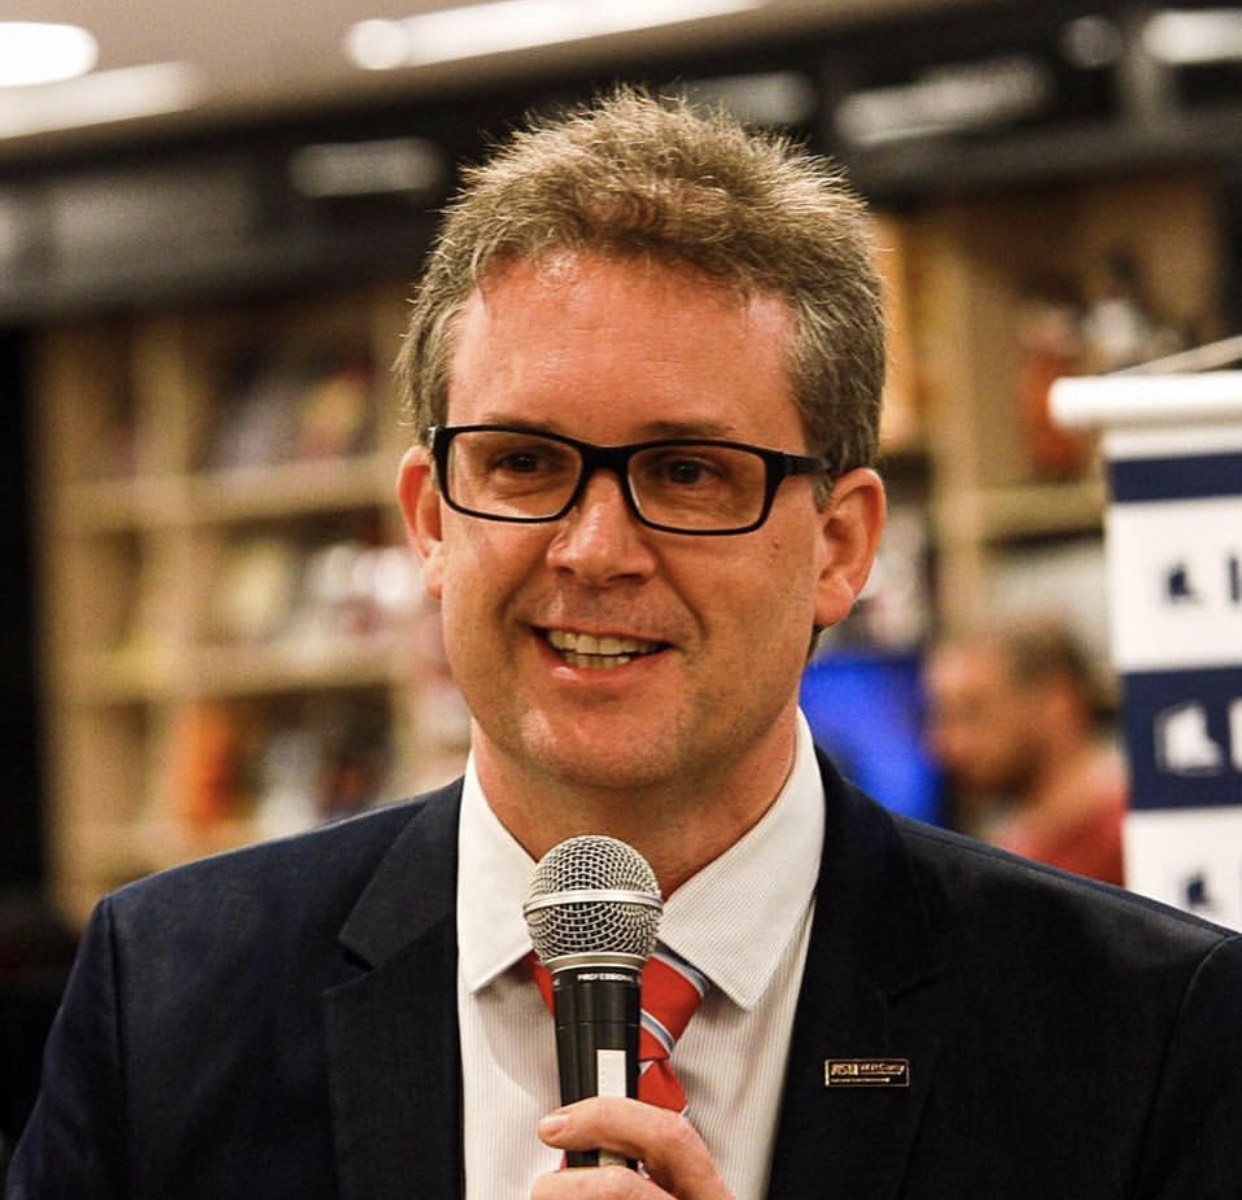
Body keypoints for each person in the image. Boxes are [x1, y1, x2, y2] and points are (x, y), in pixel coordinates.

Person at [9, 88, 1242, 1200]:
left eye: (689, 471)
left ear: (841, 546)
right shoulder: (170, 995)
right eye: (526, 463)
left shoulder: (1134, 1028)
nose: (595, 548)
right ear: (431, 521)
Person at [923, 618, 1128, 885]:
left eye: (972, 712)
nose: (943, 743)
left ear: (1057, 703)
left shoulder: (1127, 840)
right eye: (940, 715)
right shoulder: (1013, 850)